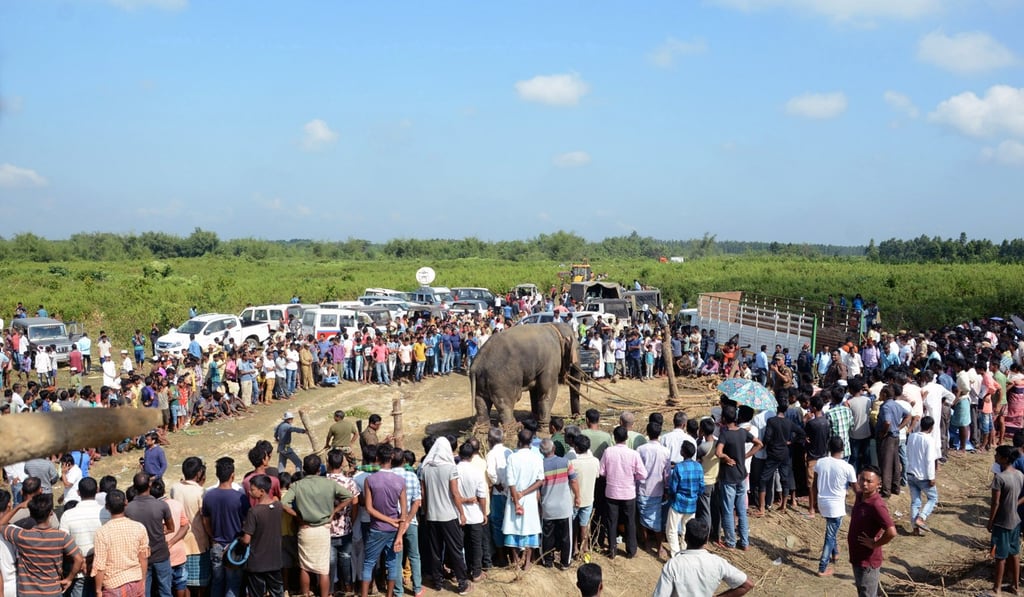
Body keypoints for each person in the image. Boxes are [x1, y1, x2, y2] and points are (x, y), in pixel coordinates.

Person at [280, 454, 355, 597]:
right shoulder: (329, 484)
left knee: (305, 567)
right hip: (323, 529)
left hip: (305, 529)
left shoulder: (297, 485)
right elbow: (349, 497)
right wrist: (334, 512)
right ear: (319, 470)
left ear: (304, 469)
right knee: (323, 569)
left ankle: (306, 594)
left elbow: (283, 504)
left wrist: (298, 516)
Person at [1, 493, 84, 597]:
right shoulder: (61, 537)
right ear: (51, 513)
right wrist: (69, 579)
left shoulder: (22, 536)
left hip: (28, 593)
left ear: (31, 514)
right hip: (52, 591)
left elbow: (1, 524)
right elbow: (79, 559)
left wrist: (18, 507)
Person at [421, 437, 472, 594]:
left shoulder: (425, 468)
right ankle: (462, 583)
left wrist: (426, 511)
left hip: (432, 516)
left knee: (435, 551)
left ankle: (437, 582)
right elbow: (455, 493)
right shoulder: (450, 468)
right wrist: (462, 513)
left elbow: (423, 494)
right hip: (448, 515)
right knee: (455, 549)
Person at [652, 519, 753, 597]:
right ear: (706, 540)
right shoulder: (717, 562)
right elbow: (747, 585)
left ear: (685, 538)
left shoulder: (673, 564)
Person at [360, 445, 407, 597]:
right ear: (392, 457)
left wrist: (389, 520)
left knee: (368, 563)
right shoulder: (400, 481)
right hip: (394, 531)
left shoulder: (370, 480)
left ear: (376, 459)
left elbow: (369, 508)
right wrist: (399, 534)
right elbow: (404, 514)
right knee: (392, 564)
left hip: (376, 528)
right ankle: (389, 594)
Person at [716, 405, 762, 550]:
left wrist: (726, 457)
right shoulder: (742, 432)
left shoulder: (724, 434)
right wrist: (745, 456)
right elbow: (759, 444)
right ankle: (745, 542)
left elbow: (718, 453)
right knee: (741, 509)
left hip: (729, 477)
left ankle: (730, 542)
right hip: (742, 475)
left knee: (728, 509)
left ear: (723, 418)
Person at [599, 426, 648, 559]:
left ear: (615, 438)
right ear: (626, 438)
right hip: (628, 493)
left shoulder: (608, 452)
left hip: (612, 492)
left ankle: (612, 549)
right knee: (630, 521)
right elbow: (643, 474)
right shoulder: (633, 454)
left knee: (611, 521)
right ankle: (631, 550)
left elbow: (601, 471)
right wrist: (632, 477)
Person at [848, 465, 897, 597]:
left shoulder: (877, 505)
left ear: (878, 484)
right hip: (857, 557)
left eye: (869, 481)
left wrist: (874, 544)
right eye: (862, 479)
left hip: (868, 561)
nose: (864, 484)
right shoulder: (860, 496)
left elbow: (891, 532)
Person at [201, 458, 247, 597]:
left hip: (216, 545)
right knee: (233, 583)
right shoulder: (240, 498)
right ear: (232, 475)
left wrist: (213, 537)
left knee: (217, 582)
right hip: (234, 547)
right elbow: (246, 523)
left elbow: (206, 521)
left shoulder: (208, 496)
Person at [92, 489, 149, 597]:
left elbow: (100, 565)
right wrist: (143, 580)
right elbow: (143, 557)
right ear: (126, 503)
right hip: (136, 581)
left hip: (114, 585)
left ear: (107, 507)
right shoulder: (139, 527)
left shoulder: (102, 532)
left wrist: (98, 590)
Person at [124, 473, 174, 597]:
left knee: (143, 591)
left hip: (139, 556)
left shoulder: (128, 509)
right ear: (150, 485)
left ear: (134, 487)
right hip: (160, 553)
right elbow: (171, 527)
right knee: (165, 591)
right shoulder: (161, 505)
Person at [814, 437, 857, 576]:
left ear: (829, 447)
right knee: (830, 535)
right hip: (836, 505)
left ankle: (835, 553)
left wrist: (813, 502)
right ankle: (822, 567)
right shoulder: (847, 467)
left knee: (831, 530)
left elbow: (814, 484)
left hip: (822, 502)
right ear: (843, 448)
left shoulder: (821, 462)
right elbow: (855, 488)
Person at [503, 430, 544, 573]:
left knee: (512, 528)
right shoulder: (537, 458)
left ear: (518, 441)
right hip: (530, 497)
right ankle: (527, 562)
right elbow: (540, 481)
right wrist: (525, 493)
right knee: (530, 528)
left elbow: (511, 482)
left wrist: (516, 500)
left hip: (514, 497)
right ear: (531, 442)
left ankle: (515, 561)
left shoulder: (512, 458)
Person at [58, 477, 104, 597]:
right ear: (97, 490)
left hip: (77, 571)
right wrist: (91, 559)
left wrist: (81, 560)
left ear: (78, 492)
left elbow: (63, 545)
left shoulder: (67, 515)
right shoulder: (106, 513)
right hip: (101, 570)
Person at [239, 475, 283, 597]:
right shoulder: (279, 507)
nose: (249, 491)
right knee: (277, 592)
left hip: (257, 562)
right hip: (275, 560)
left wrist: (240, 541)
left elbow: (247, 540)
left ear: (262, 491)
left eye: (252, 489)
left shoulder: (254, 512)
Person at [757, 403, 805, 516]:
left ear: (776, 408)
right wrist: (791, 441)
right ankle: (783, 505)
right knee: (785, 479)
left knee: (764, 479)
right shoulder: (788, 422)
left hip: (773, 453)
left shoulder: (771, 421)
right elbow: (801, 432)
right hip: (785, 453)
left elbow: (767, 437)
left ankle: (762, 507)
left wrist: (764, 444)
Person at [538, 438, 579, 569]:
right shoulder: (565, 462)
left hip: (547, 507)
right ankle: (565, 562)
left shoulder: (540, 465)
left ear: (541, 451)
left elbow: (538, 488)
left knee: (547, 536)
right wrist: (577, 496)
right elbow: (573, 481)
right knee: (566, 536)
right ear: (554, 449)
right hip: (564, 507)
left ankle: (548, 561)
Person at [988, 445, 1023, 596]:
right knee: (1014, 553)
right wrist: (1015, 504)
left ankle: (997, 589)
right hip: (1016, 520)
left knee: (1000, 556)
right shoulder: (1020, 475)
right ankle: (1015, 586)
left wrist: (990, 522)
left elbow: (995, 503)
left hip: (1002, 522)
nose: (995, 457)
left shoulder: (1000, 478)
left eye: (997, 455)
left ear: (1004, 459)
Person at [665, 441, 704, 557]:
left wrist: (671, 496)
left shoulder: (679, 468)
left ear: (683, 452)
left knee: (671, 530)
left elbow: (673, 487)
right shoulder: (698, 466)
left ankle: (676, 554)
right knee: (686, 530)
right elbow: (701, 486)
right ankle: (685, 551)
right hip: (692, 504)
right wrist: (695, 495)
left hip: (678, 503)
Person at [906, 416, 940, 536]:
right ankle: (921, 518)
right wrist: (932, 477)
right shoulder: (929, 440)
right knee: (933, 498)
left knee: (915, 501)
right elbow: (930, 460)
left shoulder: (912, 436)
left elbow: (908, 453)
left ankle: (915, 528)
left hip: (910, 473)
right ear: (931, 428)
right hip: (923, 476)